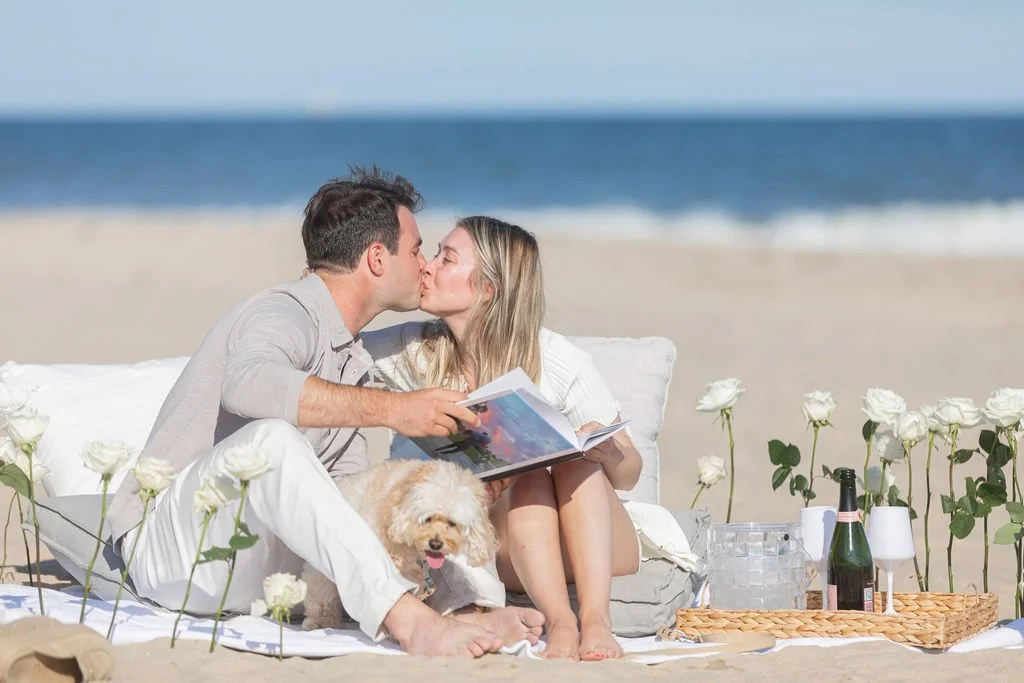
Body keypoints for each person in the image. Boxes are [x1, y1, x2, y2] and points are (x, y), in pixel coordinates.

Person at [105, 169, 543, 658]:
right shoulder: (285, 311)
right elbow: (247, 384)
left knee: (393, 491)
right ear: (378, 258)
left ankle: (458, 613)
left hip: (256, 562)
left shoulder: (351, 358)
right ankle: (412, 623)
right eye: (417, 249)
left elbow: (342, 509)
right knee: (272, 441)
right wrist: (394, 410)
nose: (424, 265)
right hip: (172, 548)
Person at [363, 216, 643, 661]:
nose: (428, 267)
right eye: (434, 253)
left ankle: (595, 621)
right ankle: (561, 623)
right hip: (505, 543)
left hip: (594, 538)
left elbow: (629, 476)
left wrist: (608, 450)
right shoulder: (412, 351)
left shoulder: (555, 359)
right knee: (528, 479)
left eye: (446, 258)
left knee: (575, 460)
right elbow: (332, 349)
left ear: (487, 290)